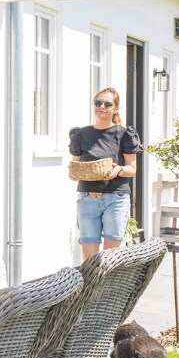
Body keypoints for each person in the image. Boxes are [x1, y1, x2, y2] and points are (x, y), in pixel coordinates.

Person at [69, 87, 142, 258]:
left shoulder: (124, 134)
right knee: (89, 260)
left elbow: (132, 169)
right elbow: (75, 165)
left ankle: (109, 278)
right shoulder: (81, 134)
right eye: (98, 102)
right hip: (87, 198)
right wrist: (73, 174)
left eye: (107, 104)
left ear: (115, 108)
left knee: (110, 257)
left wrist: (118, 170)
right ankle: (92, 278)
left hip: (115, 199)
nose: (101, 106)